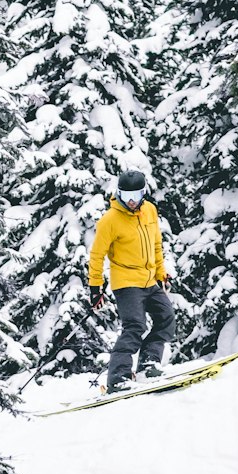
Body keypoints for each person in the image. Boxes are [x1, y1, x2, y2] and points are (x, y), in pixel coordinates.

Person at [88, 169, 176, 394]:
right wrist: (95, 288)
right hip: (126, 282)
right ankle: (118, 378)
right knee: (135, 325)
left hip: (148, 279)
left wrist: (160, 273)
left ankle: (148, 364)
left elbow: (156, 244)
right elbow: (97, 255)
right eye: (126, 195)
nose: (131, 201)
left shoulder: (149, 211)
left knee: (166, 318)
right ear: (118, 193)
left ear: (143, 193)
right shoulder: (110, 220)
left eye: (136, 196)